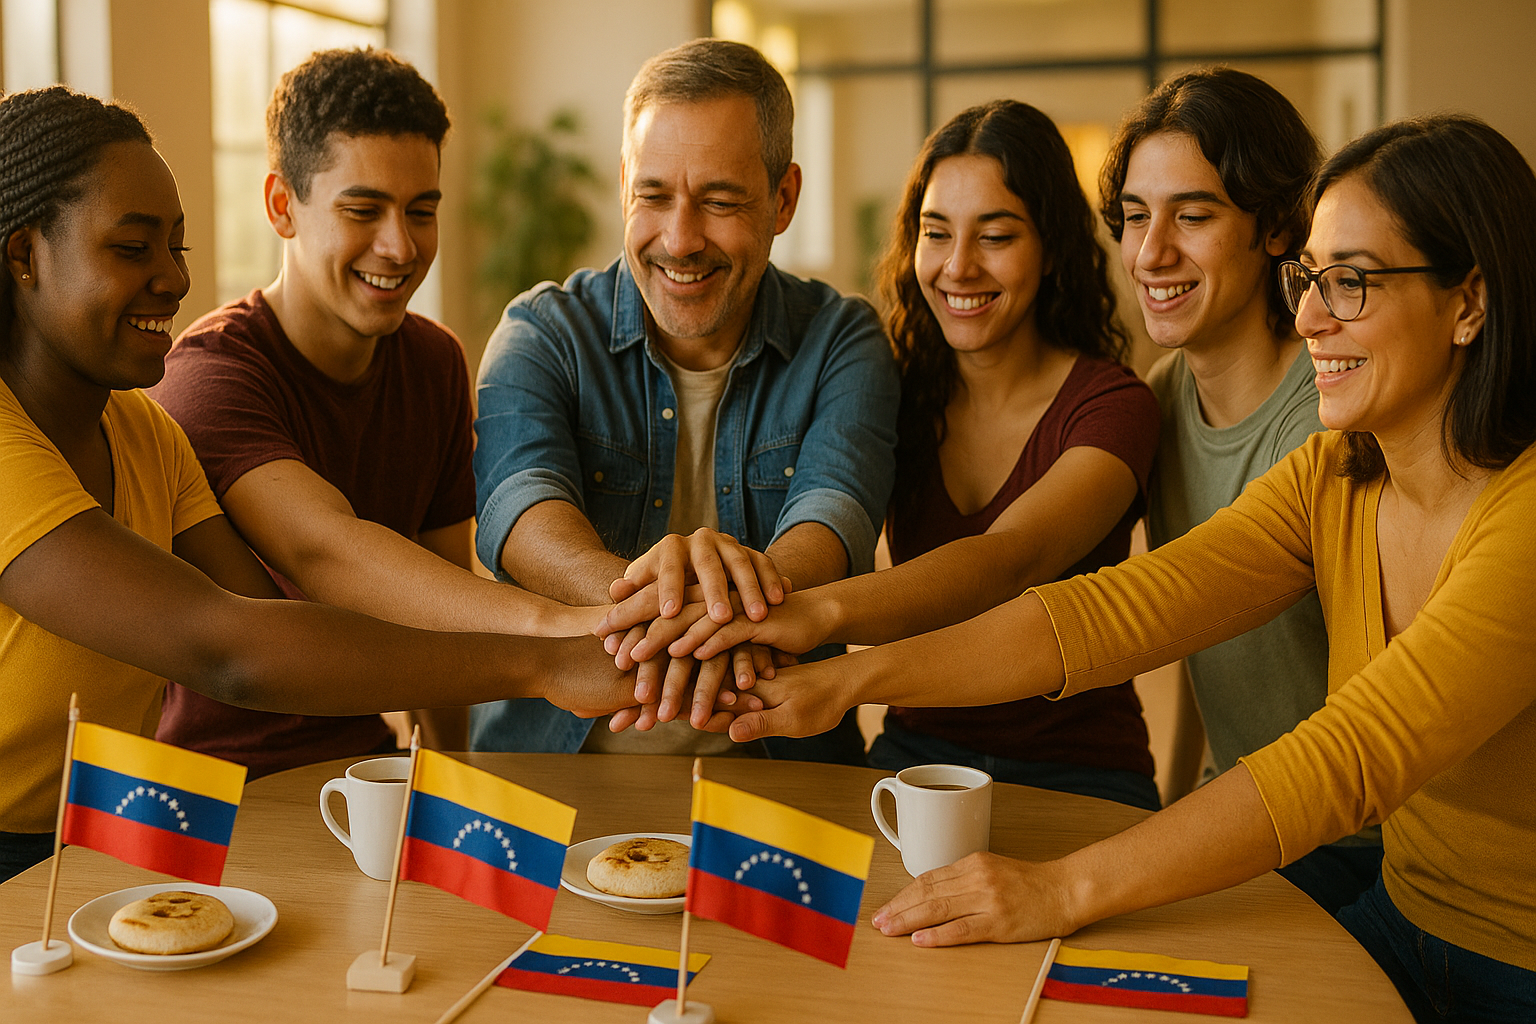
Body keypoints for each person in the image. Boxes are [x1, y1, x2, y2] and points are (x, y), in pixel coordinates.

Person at [722, 114, 1536, 1023]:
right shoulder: (1337, 474)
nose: (1309, 315)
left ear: (1469, 303)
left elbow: (1349, 756)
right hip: (1401, 917)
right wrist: (844, 676)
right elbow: (1119, 612)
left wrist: (1061, 889)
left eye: (1351, 283)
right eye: (1309, 278)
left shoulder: (1523, 517)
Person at [0, 87, 642, 884]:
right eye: (133, 249)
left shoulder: (145, 432)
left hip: (92, 831)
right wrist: (543, 657)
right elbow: (230, 647)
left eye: (177, 246)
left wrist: (460, 757)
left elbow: (272, 618)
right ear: (24, 256)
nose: (173, 277)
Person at [603, 100, 1162, 808]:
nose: (958, 266)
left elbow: (1009, 560)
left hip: (1079, 767)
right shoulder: (895, 388)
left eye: (995, 236)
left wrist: (815, 616)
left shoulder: (1116, 407)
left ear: (1052, 248)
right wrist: (713, 612)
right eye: (936, 233)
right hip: (914, 760)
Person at [146, 48, 602, 778]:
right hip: (215, 782)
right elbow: (324, 550)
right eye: (363, 211)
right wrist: (560, 633)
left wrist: (451, 776)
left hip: (365, 769)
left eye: (422, 211)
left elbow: (439, 607)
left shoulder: (434, 361)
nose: (400, 246)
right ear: (281, 206)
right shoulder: (208, 376)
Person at [471, 38, 899, 761]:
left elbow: (834, 523)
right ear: (623, 184)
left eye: (720, 201)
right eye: (654, 195)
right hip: (548, 780)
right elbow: (520, 513)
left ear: (784, 198)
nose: (679, 239)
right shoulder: (541, 332)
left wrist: (680, 608)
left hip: (781, 781)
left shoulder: (842, 340)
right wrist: (657, 597)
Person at [1101, 68, 1381, 913]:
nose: (1152, 253)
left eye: (1193, 216)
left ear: (1277, 228)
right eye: (1136, 217)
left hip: (1356, 844)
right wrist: (1174, 796)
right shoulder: (1159, 401)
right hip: (1241, 819)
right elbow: (1197, 630)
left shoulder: (1340, 417)